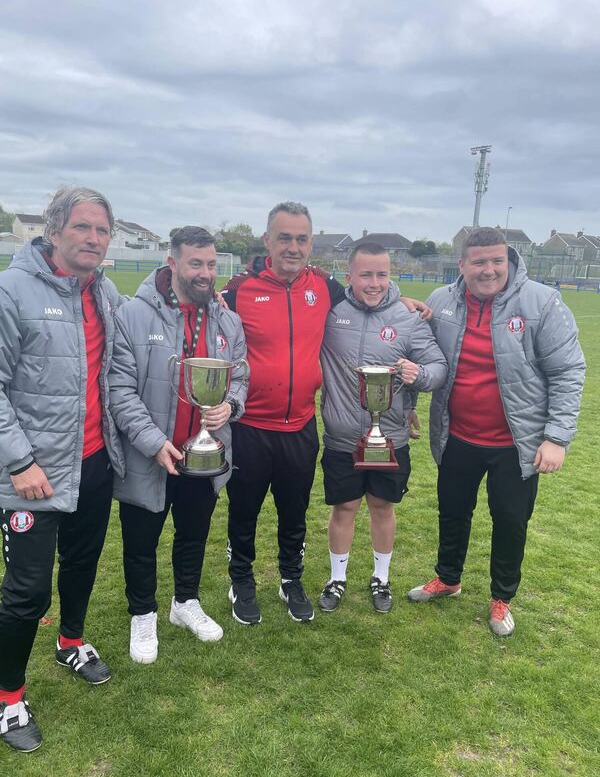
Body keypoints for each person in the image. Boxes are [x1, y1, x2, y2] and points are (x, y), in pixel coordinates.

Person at [222, 202, 428, 625]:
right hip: (250, 426)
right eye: (284, 237)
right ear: (267, 241)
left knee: (293, 512)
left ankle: (290, 579)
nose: (293, 247)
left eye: (301, 239)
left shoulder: (325, 287)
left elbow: (369, 294)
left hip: (300, 425)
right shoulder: (238, 289)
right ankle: (241, 579)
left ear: (311, 244)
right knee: (243, 510)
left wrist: (401, 299)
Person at [407, 227, 585, 637]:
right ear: (462, 265)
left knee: (509, 520)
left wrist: (556, 437)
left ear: (509, 260)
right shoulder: (441, 302)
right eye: (479, 262)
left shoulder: (541, 302)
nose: (489, 270)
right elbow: (419, 356)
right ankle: (448, 579)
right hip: (457, 437)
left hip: (514, 444)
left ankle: (502, 596)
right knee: (453, 512)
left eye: (497, 261)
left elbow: (568, 371)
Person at [0, 187, 125, 753]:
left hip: (95, 463)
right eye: (81, 227)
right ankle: (8, 699)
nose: (93, 238)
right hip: (32, 475)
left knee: (82, 563)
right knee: (26, 591)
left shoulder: (106, 293)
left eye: (101, 229)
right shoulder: (12, 290)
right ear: (53, 231)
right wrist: (20, 462)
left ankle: (71, 641)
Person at [109, 226, 247, 664]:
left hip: (204, 451)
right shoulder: (134, 315)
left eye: (211, 264)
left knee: (194, 532)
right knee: (141, 539)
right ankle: (143, 613)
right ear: (173, 264)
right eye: (196, 264)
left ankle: (184, 603)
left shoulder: (227, 318)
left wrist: (231, 406)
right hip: (150, 455)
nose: (205, 273)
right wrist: (152, 443)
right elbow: (119, 388)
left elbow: (239, 375)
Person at [318, 242, 447, 613]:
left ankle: (381, 579)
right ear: (349, 277)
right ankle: (337, 579)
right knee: (343, 507)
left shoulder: (407, 318)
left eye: (382, 274)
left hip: (389, 437)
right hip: (342, 436)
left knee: (382, 506)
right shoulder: (332, 313)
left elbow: (438, 367)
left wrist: (419, 374)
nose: (374, 283)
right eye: (365, 275)